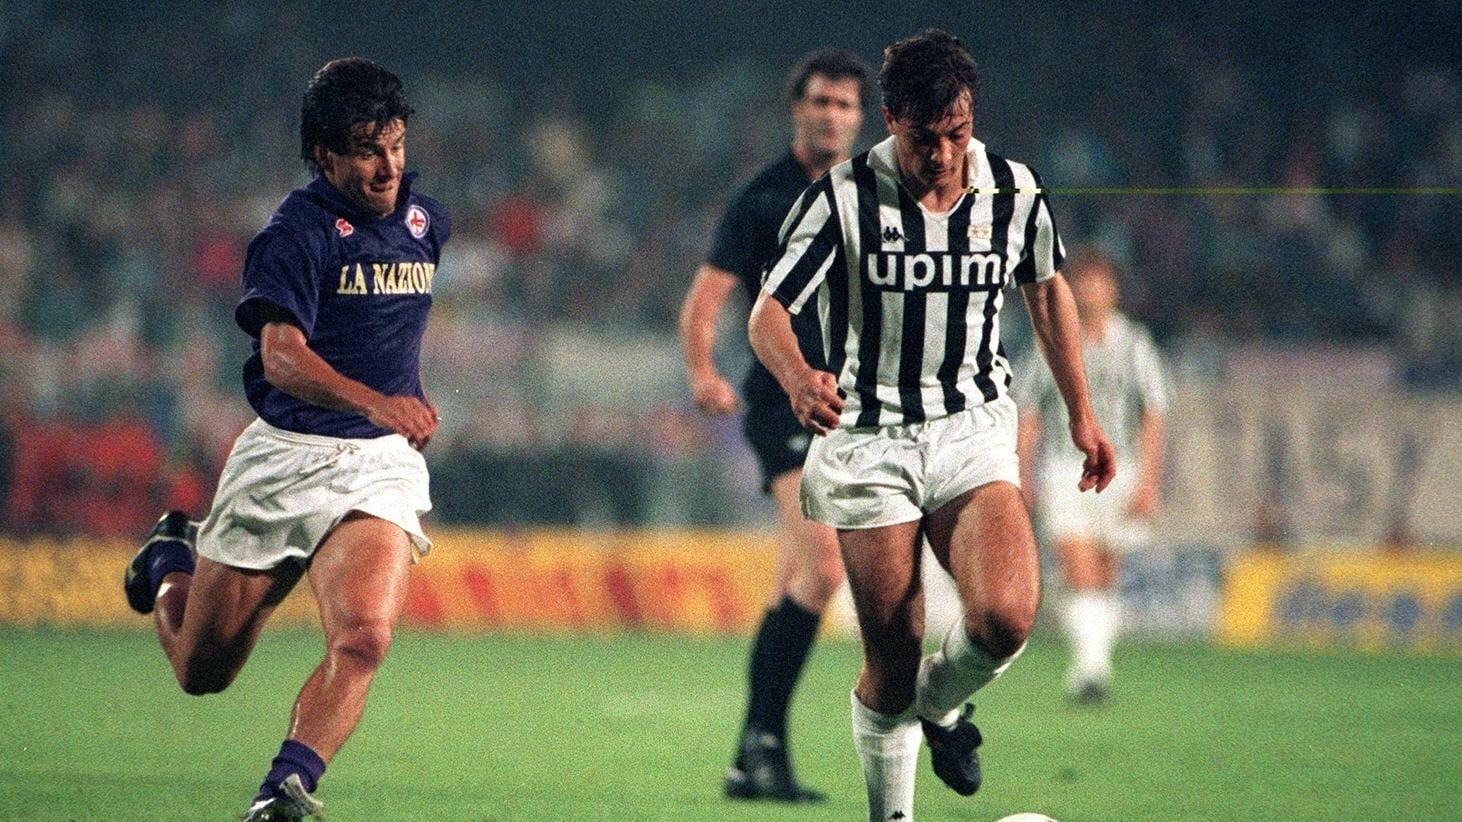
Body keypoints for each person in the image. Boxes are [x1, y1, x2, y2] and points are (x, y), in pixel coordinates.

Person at [747, 30, 1116, 821]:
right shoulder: (841, 198)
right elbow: (768, 313)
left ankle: (941, 706)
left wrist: (1082, 413)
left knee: (1006, 618)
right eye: (925, 137)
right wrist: (798, 378)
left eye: (958, 132)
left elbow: (1047, 292)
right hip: (870, 439)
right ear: (891, 120)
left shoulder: (1014, 190)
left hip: (971, 428)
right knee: (890, 655)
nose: (944, 153)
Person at [122, 58, 449, 821]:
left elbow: (386, 331)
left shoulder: (426, 223)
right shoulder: (294, 233)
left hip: (377, 464)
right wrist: (382, 401)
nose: (387, 167)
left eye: (396, 145)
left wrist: (404, 403)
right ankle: (170, 559)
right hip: (283, 458)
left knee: (364, 638)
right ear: (324, 156)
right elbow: (281, 358)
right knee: (202, 672)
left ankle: (283, 791)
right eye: (367, 150)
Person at [678, 48, 869, 803]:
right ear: (798, 108)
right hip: (784, 403)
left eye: (845, 104)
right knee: (824, 569)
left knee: (797, 581)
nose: (832, 115)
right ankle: (760, 747)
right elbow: (706, 299)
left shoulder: (875, 193)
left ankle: (753, 756)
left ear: (862, 117)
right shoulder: (762, 198)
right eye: (821, 101)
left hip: (862, 408)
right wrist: (703, 371)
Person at [1016, 247, 1167, 705]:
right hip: (1065, 468)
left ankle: (1092, 664)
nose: (1091, 293)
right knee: (1078, 567)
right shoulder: (1052, 339)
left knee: (1105, 572)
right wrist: (1023, 474)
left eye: (1100, 284)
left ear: (1113, 291)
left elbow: (1153, 413)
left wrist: (1149, 480)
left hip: (1122, 469)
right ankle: (1091, 668)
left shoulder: (1135, 344)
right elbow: (1029, 411)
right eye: (1084, 284)